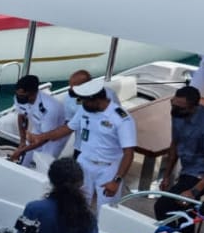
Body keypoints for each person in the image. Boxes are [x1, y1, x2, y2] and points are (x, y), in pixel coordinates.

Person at [41, 76, 135, 208]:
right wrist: (41, 137)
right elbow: (67, 128)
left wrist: (116, 181)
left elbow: (129, 153)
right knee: (76, 204)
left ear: (96, 99)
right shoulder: (85, 109)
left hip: (108, 168)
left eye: (83, 100)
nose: (81, 103)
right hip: (84, 163)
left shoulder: (121, 118)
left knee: (106, 208)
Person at [154, 86, 204, 221]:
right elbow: (175, 144)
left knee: (163, 206)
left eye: (181, 108)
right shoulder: (178, 113)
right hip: (188, 169)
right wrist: (166, 175)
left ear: (194, 107)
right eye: (173, 105)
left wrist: (194, 191)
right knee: (182, 211)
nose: (175, 110)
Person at [0, 74, 69, 170]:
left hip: (54, 137)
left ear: (33, 93)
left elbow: (44, 138)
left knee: (44, 162)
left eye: (22, 95)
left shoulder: (50, 109)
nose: (19, 98)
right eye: (18, 94)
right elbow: (22, 117)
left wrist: (20, 150)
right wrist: (22, 142)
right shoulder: (20, 97)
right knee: (25, 157)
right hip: (39, 129)